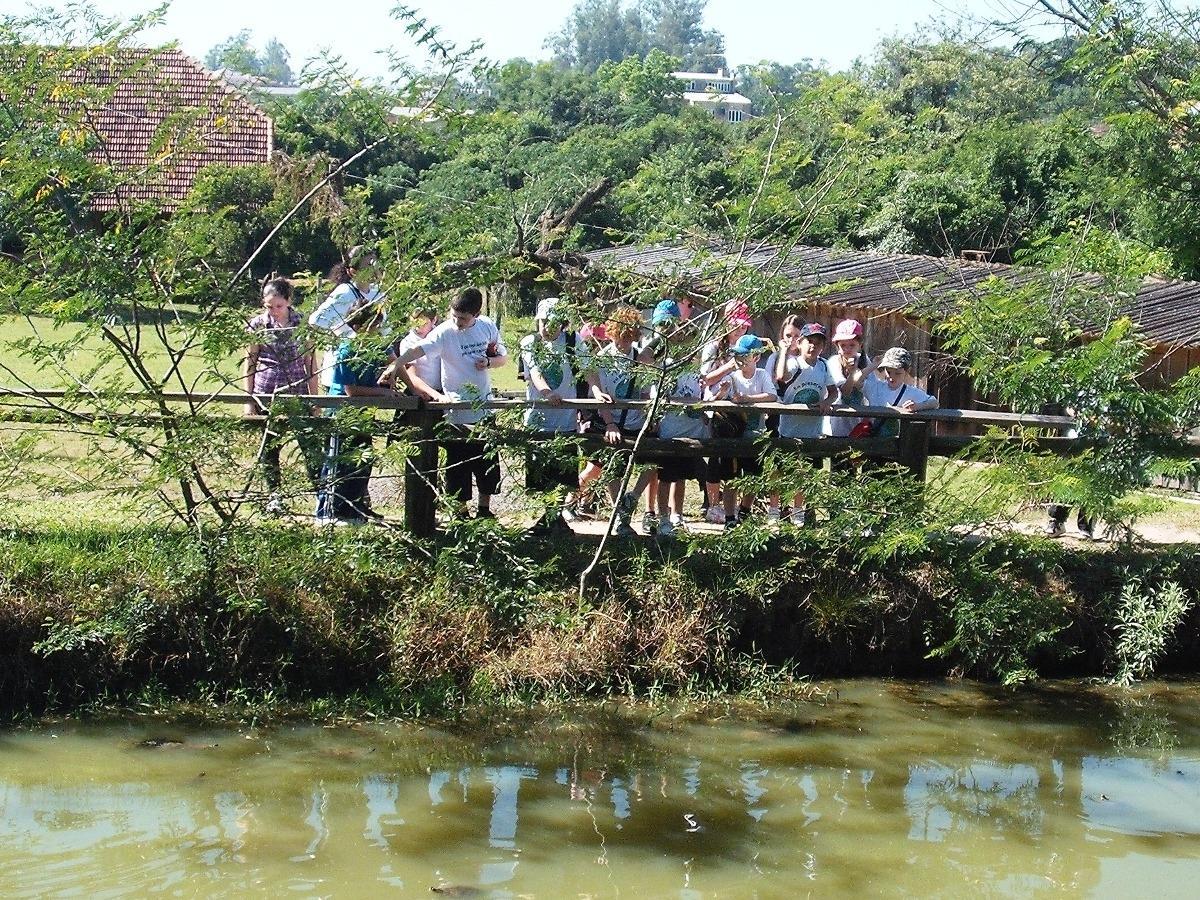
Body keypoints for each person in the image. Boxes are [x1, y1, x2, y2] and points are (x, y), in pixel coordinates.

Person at [386, 287, 507, 519]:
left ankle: (484, 511)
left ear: (476, 314)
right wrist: (396, 364)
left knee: (487, 463)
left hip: (483, 405)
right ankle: (461, 514)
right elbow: (418, 350)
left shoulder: (487, 326)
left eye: (463, 318)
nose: (457, 322)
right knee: (458, 465)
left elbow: (502, 357)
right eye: (454, 316)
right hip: (456, 408)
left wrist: (490, 363)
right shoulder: (444, 332)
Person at [244, 277, 321, 515]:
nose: (274, 311)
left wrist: (315, 400)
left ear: (288, 301)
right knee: (270, 446)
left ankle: (322, 496)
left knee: (309, 445)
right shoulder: (258, 324)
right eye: (269, 306)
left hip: (297, 392)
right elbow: (250, 362)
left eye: (278, 306)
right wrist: (249, 401)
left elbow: (311, 362)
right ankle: (274, 497)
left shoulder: (302, 324)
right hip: (266, 392)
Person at [584, 303, 661, 536]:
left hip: (636, 421)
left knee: (653, 461)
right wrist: (610, 423)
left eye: (628, 338)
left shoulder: (640, 358)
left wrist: (650, 416)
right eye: (621, 337)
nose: (624, 343)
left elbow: (645, 392)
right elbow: (600, 396)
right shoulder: (602, 359)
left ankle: (632, 498)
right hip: (612, 421)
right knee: (612, 468)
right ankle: (620, 517)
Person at [315, 302, 394, 526]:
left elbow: (394, 362)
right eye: (372, 325)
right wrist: (383, 393)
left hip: (364, 413)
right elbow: (350, 390)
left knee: (363, 460)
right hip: (342, 413)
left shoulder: (378, 346)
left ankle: (354, 509)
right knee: (339, 462)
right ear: (358, 326)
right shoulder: (347, 350)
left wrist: (394, 379)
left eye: (378, 325)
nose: (377, 329)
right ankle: (328, 512)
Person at [520, 298, 581, 533]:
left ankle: (555, 517)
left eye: (553, 322)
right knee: (541, 474)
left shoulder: (574, 341)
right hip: (537, 421)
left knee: (564, 473)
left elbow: (589, 370)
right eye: (543, 321)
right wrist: (547, 393)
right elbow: (535, 373)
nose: (547, 327)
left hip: (566, 420)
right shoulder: (530, 342)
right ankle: (549, 516)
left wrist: (596, 391)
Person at [766, 319, 835, 526]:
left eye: (818, 343)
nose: (813, 346)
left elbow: (833, 392)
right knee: (778, 472)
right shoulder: (795, 362)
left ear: (823, 346)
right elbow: (781, 376)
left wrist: (826, 402)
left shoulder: (823, 366)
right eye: (809, 341)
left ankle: (798, 512)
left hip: (812, 430)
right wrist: (784, 351)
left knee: (804, 473)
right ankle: (774, 511)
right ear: (801, 342)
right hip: (787, 428)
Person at [706, 334, 775, 529]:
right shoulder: (731, 376)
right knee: (731, 478)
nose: (740, 359)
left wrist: (747, 399)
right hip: (734, 436)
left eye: (745, 356)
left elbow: (772, 395)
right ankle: (729, 518)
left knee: (753, 476)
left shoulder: (762, 375)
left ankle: (744, 510)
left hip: (755, 435)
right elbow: (714, 399)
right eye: (738, 355)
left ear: (756, 357)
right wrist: (723, 392)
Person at [651, 346, 711, 537]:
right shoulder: (667, 367)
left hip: (692, 432)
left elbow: (699, 397)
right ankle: (663, 518)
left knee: (682, 476)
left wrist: (701, 411)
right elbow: (662, 398)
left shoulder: (696, 371)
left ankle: (677, 515)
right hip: (670, 432)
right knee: (666, 477)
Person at [309, 246, 385, 392]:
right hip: (342, 374)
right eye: (367, 266)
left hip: (367, 371)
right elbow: (315, 321)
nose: (373, 269)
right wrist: (345, 338)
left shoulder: (377, 292)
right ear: (353, 271)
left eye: (374, 263)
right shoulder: (345, 292)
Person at [862, 347, 939, 432]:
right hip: (872, 437)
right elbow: (856, 381)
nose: (892, 377)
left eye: (897, 373)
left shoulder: (911, 392)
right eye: (888, 372)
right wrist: (873, 366)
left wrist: (917, 406)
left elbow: (934, 402)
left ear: (907, 371)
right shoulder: (875, 387)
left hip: (897, 439)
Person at [826, 319, 874, 439]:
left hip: (858, 422)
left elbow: (872, 391)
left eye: (852, 345)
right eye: (843, 345)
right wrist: (852, 373)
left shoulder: (865, 361)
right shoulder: (833, 362)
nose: (847, 349)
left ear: (860, 345)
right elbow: (845, 391)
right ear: (837, 346)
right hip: (837, 423)